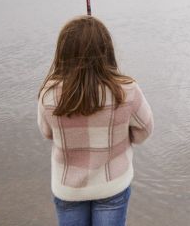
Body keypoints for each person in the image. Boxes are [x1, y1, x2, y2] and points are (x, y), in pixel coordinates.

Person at [38, 16, 154, 226]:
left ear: (62, 53)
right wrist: (122, 138)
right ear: (106, 50)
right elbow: (144, 130)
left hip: (68, 188)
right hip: (112, 185)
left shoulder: (49, 94)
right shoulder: (127, 90)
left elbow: (47, 132)